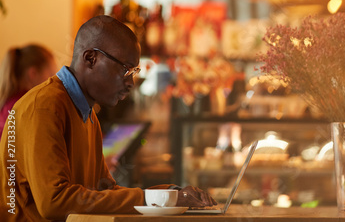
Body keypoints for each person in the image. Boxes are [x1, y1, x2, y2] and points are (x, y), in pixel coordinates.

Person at [0, 15, 216, 221]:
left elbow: (104, 189)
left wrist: (170, 195)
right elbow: (55, 201)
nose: (131, 82)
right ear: (90, 59)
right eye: (125, 69)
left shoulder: (88, 113)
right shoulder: (45, 107)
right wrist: (152, 200)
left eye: (134, 71)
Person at [0, 44, 57, 138]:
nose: (55, 83)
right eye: (52, 75)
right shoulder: (31, 108)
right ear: (33, 74)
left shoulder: (8, 104)